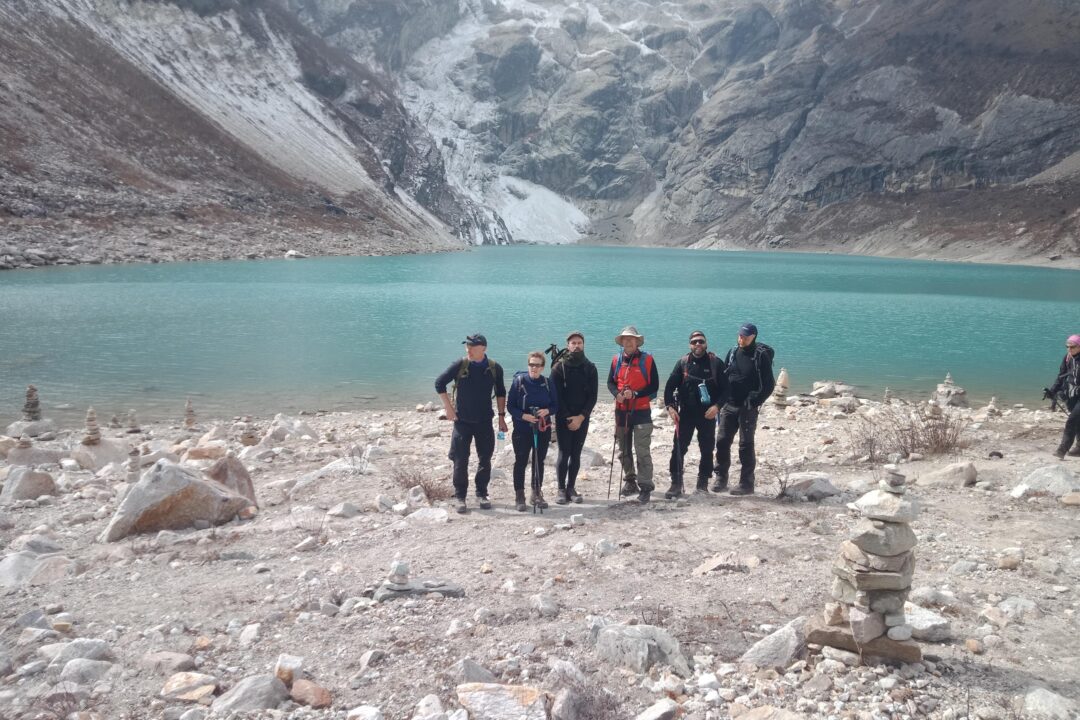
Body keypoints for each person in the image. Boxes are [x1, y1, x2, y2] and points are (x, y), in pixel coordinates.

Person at [435, 334, 507, 513]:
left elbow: (500, 392)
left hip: (484, 421)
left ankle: (481, 493)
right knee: (460, 460)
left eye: (472, 347)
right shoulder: (460, 365)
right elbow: (439, 383)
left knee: (485, 459)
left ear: (483, 348)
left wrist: (501, 416)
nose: (468, 349)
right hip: (462, 422)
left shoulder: (494, 368)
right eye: (467, 346)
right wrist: (449, 409)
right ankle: (460, 496)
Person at [713, 322, 775, 495]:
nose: (742, 339)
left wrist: (754, 402)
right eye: (740, 335)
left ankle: (746, 484)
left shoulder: (760, 356)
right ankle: (720, 478)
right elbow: (724, 377)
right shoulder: (733, 352)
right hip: (729, 405)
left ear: (753, 336)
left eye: (746, 336)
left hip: (747, 407)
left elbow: (769, 384)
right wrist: (720, 400)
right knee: (722, 441)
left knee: (745, 444)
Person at [663, 331, 726, 498]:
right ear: (690, 344)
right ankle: (676, 483)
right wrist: (670, 407)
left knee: (706, 449)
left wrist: (717, 407)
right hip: (685, 414)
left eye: (701, 341)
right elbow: (669, 387)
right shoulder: (683, 363)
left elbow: (727, 390)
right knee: (678, 448)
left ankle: (702, 483)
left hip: (708, 414)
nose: (697, 344)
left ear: (706, 343)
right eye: (694, 342)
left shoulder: (716, 364)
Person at [607, 326, 660, 503]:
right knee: (623, 449)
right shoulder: (616, 360)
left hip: (642, 412)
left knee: (642, 450)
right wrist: (617, 395)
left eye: (631, 339)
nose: (628, 341)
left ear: (637, 341)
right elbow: (610, 383)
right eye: (625, 339)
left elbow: (654, 388)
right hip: (621, 411)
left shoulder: (648, 360)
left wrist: (636, 394)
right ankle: (630, 481)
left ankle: (645, 486)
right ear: (621, 342)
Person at [507, 351, 560, 511]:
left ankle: (536, 493)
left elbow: (556, 405)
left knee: (539, 461)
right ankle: (519, 495)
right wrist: (524, 416)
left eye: (537, 365)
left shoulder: (547, 383)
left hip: (542, 429)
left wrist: (547, 411)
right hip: (522, 429)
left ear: (542, 367)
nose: (534, 368)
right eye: (531, 364)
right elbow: (510, 406)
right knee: (521, 461)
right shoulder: (519, 382)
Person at [551, 331, 598, 504]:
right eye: (573, 343)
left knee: (576, 453)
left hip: (582, 418)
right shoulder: (559, 367)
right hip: (563, 417)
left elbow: (593, 396)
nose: (576, 345)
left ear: (583, 345)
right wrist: (568, 417)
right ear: (568, 345)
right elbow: (555, 396)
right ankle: (561, 489)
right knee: (564, 453)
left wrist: (581, 417)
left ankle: (571, 487)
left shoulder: (590, 367)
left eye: (579, 342)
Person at [1048, 334, 1080, 459]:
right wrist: (1052, 391)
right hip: (1072, 394)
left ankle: (1061, 450)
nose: (1069, 349)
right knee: (1078, 421)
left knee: (1071, 421)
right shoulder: (1067, 358)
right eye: (1067, 347)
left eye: (1072, 347)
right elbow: (1061, 376)